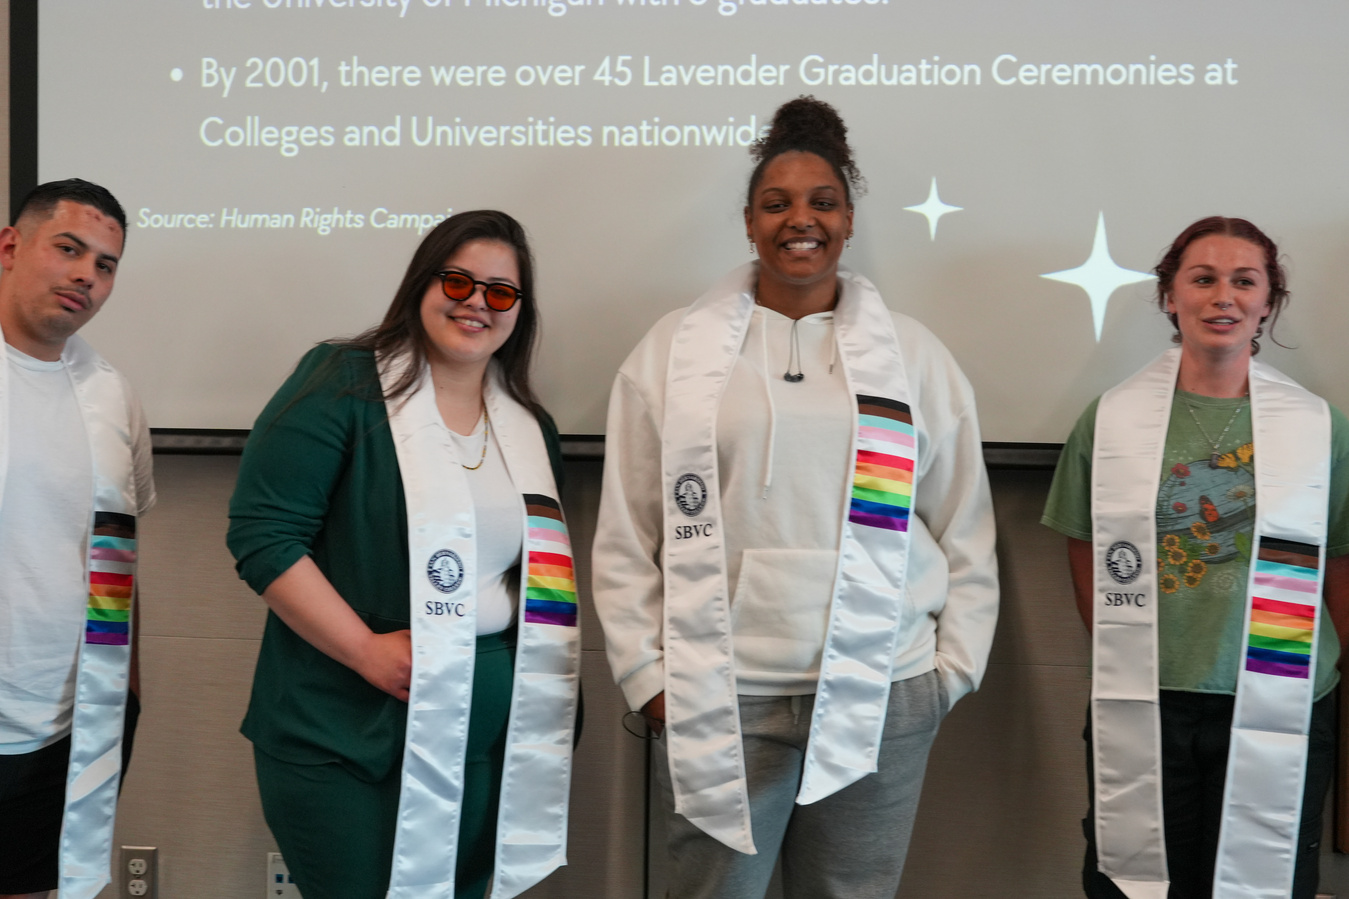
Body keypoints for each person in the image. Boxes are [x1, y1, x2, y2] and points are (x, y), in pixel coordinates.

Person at [592, 96, 999, 899]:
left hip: (880, 689)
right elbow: (626, 531)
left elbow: (964, 526)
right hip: (718, 695)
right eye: (776, 203)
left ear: (847, 220)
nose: (799, 219)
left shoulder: (913, 356)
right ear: (749, 222)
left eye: (822, 202)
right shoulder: (673, 350)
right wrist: (648, 678)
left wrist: (947, 673)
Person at [227, 211, 579, 899]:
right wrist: (365, 650)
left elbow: (530, 583)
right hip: (344, 728)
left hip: (483, 739)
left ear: (519, 311)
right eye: (458, 281)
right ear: (422, 283)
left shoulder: (531, 428)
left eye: (500, 292)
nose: (477, 302)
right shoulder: (343, 383)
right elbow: (263, 536)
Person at [1042, 217, 1349, 898]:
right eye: (1203, 279)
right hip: (1148, 695)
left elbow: (1340, 559)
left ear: (1268, 301)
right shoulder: (1110, 419)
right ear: (1169, 295)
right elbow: (1086, 549)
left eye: (1244, 281)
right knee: (1137, 880)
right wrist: (1124, 649)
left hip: (1281, 695)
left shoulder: (1320, 427)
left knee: (1266, 881)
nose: (1223, 297)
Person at [0, 180, 154, 899]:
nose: (86, 275)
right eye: (68, 249)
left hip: (66, 723)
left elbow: (119, 552)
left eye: (105, 264)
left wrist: (129, 690)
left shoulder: (111, 394)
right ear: (10, 246)